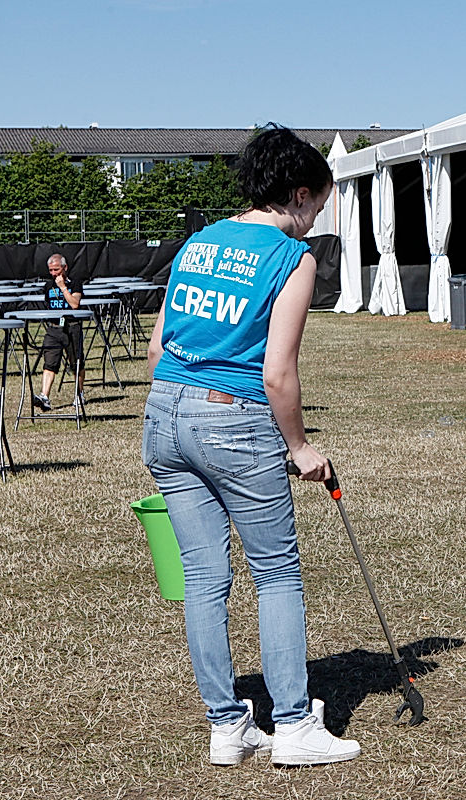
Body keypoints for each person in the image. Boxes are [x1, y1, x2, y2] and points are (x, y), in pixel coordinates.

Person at [142, 125, 360, 768]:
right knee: (277, 573)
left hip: (165, 416)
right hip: (234, 421)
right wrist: (299, 447)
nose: (316, 219)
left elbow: (157, 349)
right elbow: (278, 372)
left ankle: (226, 726)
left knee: (205, 578)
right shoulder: (293, 260)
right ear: (297, 195)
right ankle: (293, 725)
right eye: (318, 206)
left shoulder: (198, 243)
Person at [33, 254, 85, 410]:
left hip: (72, 326)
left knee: (76, 362)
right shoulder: (48, 286)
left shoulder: (75, 284)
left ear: (64, 268)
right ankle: (44, 396)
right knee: (49, 362)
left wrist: (63, 288)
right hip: (54, 327)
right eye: (51, 270)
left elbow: (75, 304)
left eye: (56, 269)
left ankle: (79, 393)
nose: (54, 273)